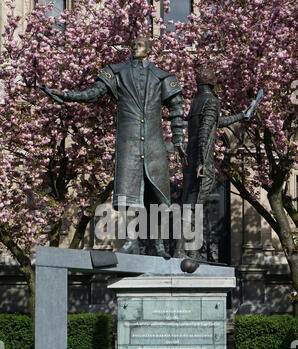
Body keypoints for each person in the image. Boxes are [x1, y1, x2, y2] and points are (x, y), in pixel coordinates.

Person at [47, 36, 186, 257]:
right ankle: (132, 240)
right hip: (129, 142)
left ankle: (159, 245)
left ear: (149, 50)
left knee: (156, 194)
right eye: (133, 44)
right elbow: (93, 93)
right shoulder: (117, 72)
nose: (134, 47)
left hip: (153, 143)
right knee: (129, 193)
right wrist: (66, 96)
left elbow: (177, 110)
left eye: (139, 45)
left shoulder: (163, 77)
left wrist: (178, 140)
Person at [174, 68, 260, 259]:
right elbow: (206, 132)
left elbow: (214, 123)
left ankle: (181, 250)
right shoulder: (212, 101)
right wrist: (204, 162)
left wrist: (241, 115)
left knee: (189, 205)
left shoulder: (197, 102)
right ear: (212, 83)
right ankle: (192, 250)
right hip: (202, 161)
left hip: (191, 161)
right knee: (195, 207)